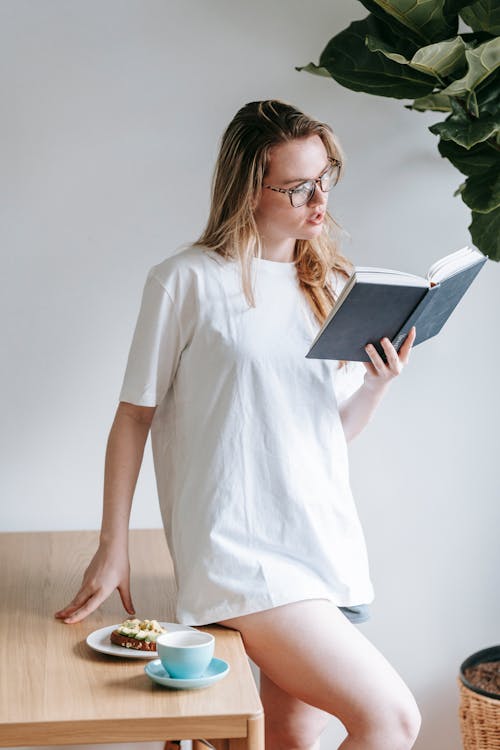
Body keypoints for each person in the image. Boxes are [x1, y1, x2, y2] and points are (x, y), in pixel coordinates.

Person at [56, 99, 420, 749]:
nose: (320, 199)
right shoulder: (185, 281)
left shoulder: (329, 282)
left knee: (292, 734)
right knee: (391, 719)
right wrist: (111, 547)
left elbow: (324, 433)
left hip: (321, 541)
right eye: (299, 186)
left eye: (326, 178)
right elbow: (133, 418)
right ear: (250, 188)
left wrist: (377, 383)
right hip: (244, 556)